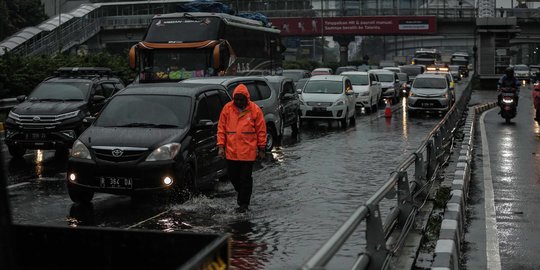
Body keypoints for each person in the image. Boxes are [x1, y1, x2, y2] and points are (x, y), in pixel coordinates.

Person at [217, 84, 266, 213]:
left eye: (241, 99)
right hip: (231, 152)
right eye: (236, 99)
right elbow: (221, 129)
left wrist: (261, 148)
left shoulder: (255, 110)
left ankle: (244, 204)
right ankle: (242, 194)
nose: (238, 102)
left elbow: (261, 130)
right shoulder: (227, 109)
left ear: (247, 99)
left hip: (247, 153)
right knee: (233, 177)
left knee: (245, 178)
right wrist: (221, 147)